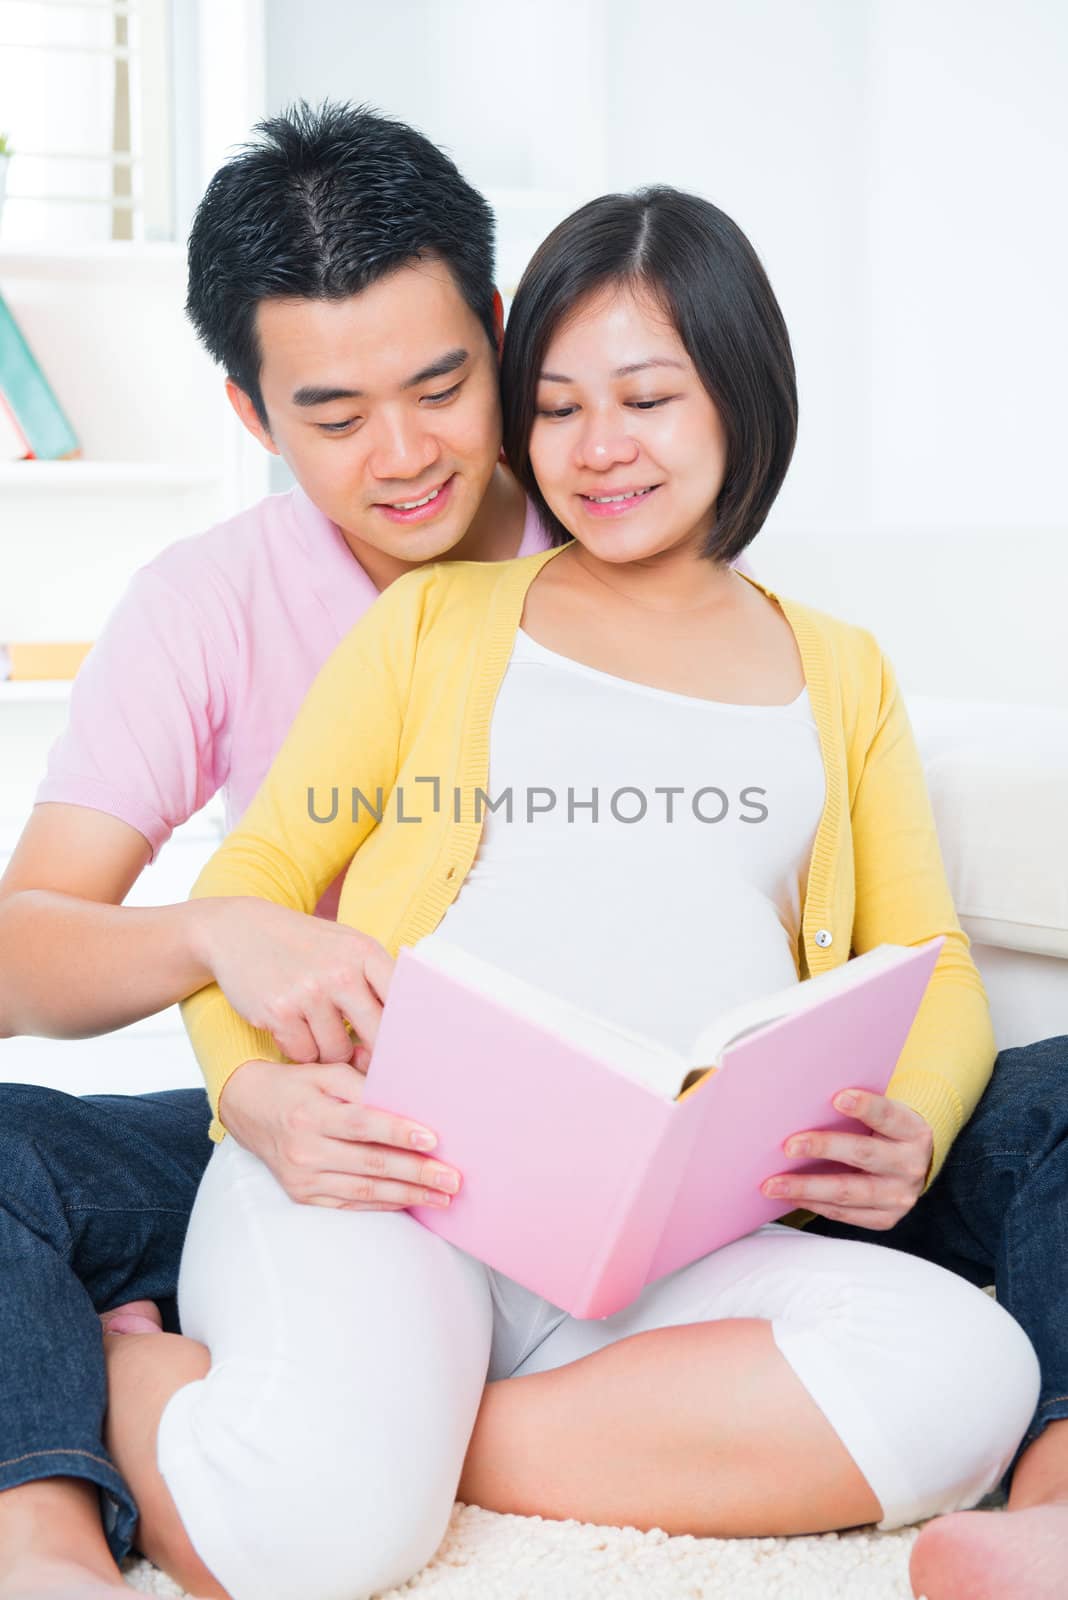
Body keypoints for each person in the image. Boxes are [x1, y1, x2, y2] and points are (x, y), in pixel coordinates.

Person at [96, 186, 1040, 1600]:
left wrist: (916, 1121)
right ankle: (159, 1384)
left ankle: (422, 1438)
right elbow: (258, 882)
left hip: (668, 1246)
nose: (598, 451)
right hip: (389, 1184)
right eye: (555, 407)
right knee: (306, 1546)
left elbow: (930, 954)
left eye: (647, 399)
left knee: (971, 1374)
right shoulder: (438, 619)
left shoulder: (839, 667)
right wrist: (257, 1097)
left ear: (738, 394)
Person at [0, 99, 552, 1600]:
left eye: (443, 385)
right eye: (333, 415)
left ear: (500, 333)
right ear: (250, 413)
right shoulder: (208, 601)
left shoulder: (622, 533)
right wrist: (213, 936)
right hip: (309, 1140)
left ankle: (1049, 1496)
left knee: (1039, 1102)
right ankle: (44, 1532)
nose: (407, 455)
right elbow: (20, 950)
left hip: (589, 1149)